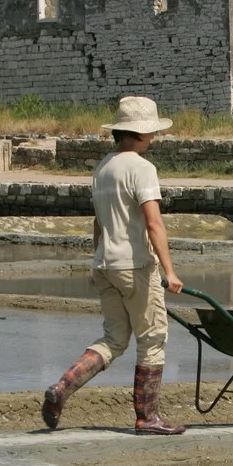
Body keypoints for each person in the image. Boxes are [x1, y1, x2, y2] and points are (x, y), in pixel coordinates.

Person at [42, 95, 187, 435]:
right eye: (150, 133)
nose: (153, 138)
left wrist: (97, 261)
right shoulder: (141, 168)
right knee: (153, 339)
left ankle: (62, 388)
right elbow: (154, 224)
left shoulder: (103, 167)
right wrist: (170, 271)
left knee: (114, 338)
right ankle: (147, 418)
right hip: (135, 266)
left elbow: (98, 222)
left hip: (106, 264)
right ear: (138, 133)